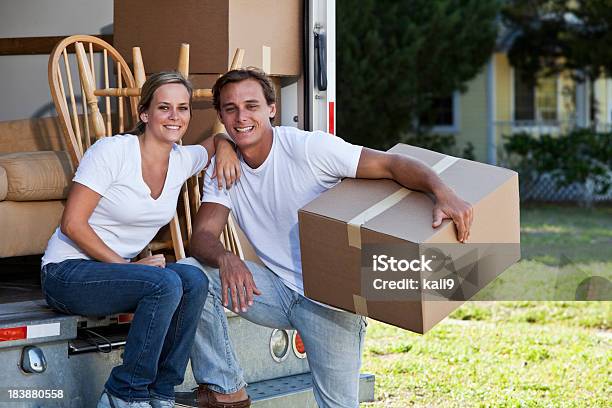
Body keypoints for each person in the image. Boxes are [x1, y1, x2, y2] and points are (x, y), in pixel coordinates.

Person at [181, 67, 473, 408]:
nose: (241, 116)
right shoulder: (225, 167)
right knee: (191, 274)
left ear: (271, 109)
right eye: (231, 109)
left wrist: (442, 191)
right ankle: (226, 388)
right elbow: (201, 236)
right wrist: (226, 258)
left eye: (251, 106)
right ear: (220, 116)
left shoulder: (309, 149)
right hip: (275, 291)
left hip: (329, 301)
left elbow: (392, 164)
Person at [40, 72, 241, 408]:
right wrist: (128, 266)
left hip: (122, 278)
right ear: (145, 113)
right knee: (164, 283)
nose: (175, 117)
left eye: (183, 108)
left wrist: (223, 145)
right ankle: (124, 392)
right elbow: (73, 224)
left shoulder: (180, 160)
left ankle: (159, 392)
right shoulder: (112, 151)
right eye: (165, 107)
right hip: (68, 273)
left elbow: (211, 145)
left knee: (192, 278)